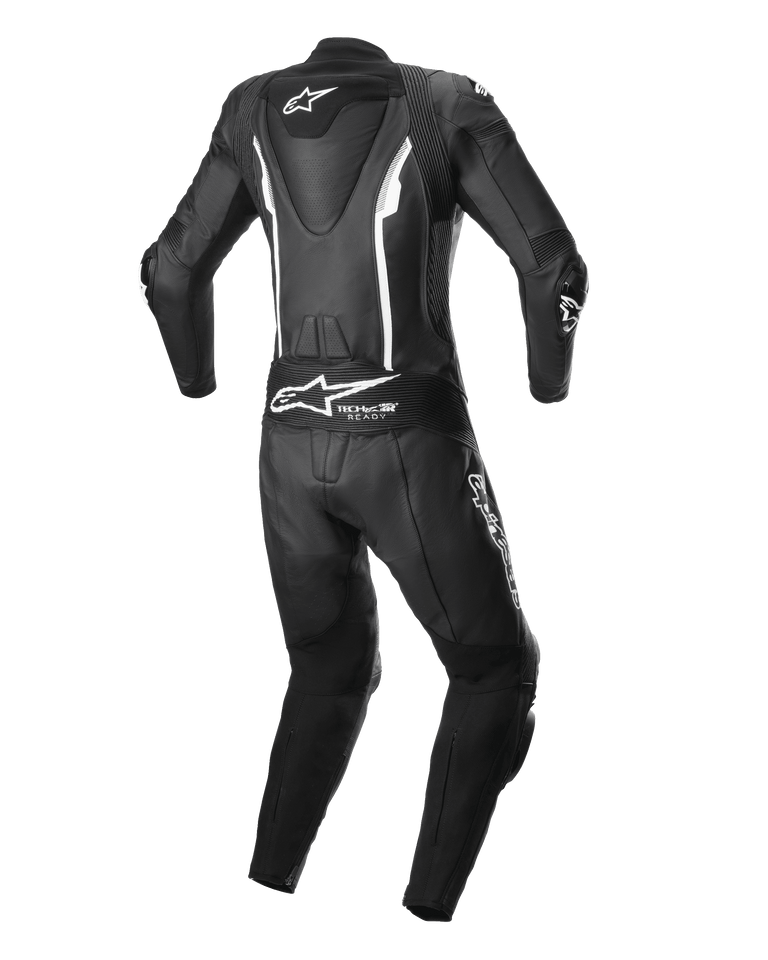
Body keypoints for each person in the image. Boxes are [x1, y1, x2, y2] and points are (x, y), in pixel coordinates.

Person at [137, 35, 590, 923]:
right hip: (407, 442)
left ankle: (266, 888)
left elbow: (168, 274)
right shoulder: (443, 101)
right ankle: (426, 910)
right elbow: (554, 267)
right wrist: (549, 384)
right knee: (497, 670)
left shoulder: (250, 108)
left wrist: (195, 379)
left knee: (328, 669)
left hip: (288, 449)